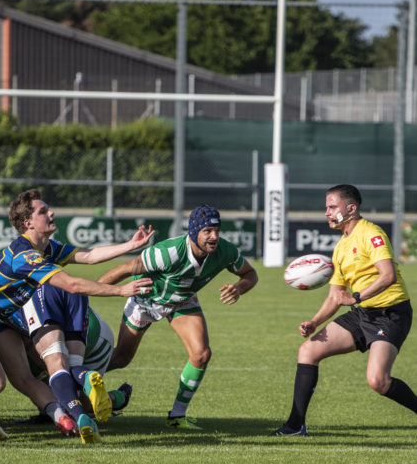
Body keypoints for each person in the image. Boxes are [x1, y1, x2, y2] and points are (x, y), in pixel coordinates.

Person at [0, 188, 153, 449]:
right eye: (43, 211)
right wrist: (120, 290)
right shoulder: (25, 256)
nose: (51, 213)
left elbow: (88, 256)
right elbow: (72, 285)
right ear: (28, 222)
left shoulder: (46, 248)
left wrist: (130, 246)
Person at [272, 184, 417, 436]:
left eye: (332, 207)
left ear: (351, 208)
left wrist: (357, 296)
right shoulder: (340, 247)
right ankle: (295, 425)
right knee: (308, 351)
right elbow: (335, 296)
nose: (327, 213)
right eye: (326, 208)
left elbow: (388, 275)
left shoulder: (371, 234)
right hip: (363, 313)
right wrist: (315, 322)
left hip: (390, 314)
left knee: (378, 381)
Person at [98, 205, 258, 429]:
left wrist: (239, 288)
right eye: (207, 231)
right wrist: (88, 290)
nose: (214, 237)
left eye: (217, 231)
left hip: (182, 301)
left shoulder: (225, 251)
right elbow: (126, 268)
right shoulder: (168, 252)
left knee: (201, 355)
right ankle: (77, 380)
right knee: (121, 359)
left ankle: (177, 416)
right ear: (193, 232)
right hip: (146, 301)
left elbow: (250, 273)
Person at [16, 285, 132, 429]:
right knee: (66, 378)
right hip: (88, 323)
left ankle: (116, 398)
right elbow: (73, 284)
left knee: (67, 388)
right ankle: (85, 377)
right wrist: (119, 290)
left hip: (91, 337)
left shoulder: (5, 306)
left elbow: (25, 379)